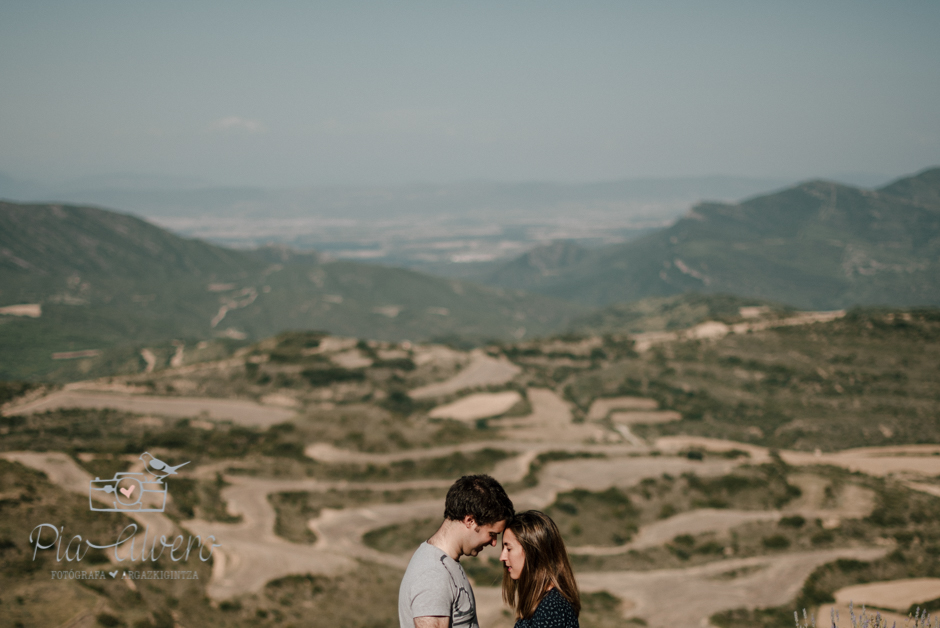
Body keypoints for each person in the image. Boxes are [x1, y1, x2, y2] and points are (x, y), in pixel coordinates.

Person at [399, 474, 515, 628]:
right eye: (491, 534)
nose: (494, 543)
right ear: (470, 521)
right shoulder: (432, 575)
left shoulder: (443, 563)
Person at [500, 510, 580, 628]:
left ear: (532, 551)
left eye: (509, 549)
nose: (502, 557)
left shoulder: (551, 608)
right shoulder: (544, 603)